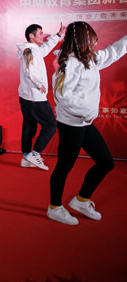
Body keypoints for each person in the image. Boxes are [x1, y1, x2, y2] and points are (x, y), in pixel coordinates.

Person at [47, 22, 126, 225]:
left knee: (106, 162)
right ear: (82, 39)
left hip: (85, 122)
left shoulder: (89, 59)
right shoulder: (69, 64)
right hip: (71, 123)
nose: (95, 41)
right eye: (91, 38)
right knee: (65, 166)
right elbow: (62, 95)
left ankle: (81, 200)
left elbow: (112, 53)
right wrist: (87, 112)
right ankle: (54, 207)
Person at [16, 23, 66, 170]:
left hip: (26, 96)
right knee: (50, 125)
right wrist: (39, 84)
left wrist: (58, 35)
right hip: (35, 97)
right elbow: (29, 70)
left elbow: (45, 48)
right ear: (31, 36)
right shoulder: (30, 51)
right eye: (40, 33)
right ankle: (35, 154)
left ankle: (26, 157)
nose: (43, 36)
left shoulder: (33, 49)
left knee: (29, 126)